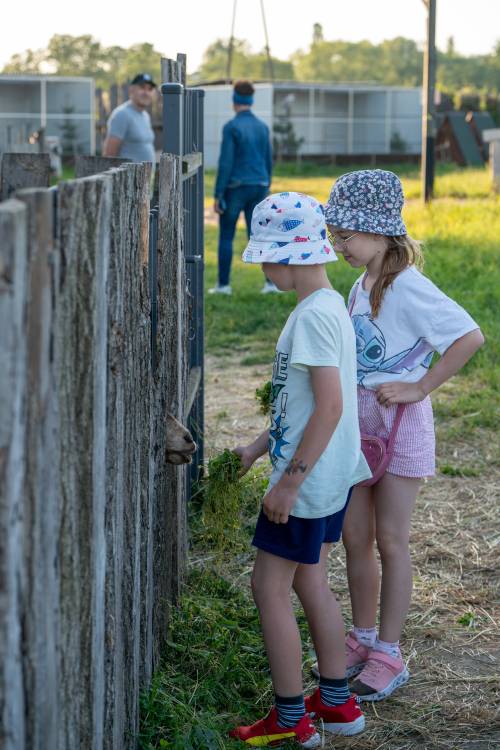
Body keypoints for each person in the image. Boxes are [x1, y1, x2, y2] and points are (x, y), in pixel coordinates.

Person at [322, 169, 484, 702]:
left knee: (390, 540)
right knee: (355, 538)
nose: (338, 244)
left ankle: (389, 652)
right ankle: (362, 636)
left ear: (382, 229)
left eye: (346, 234)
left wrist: (419, 385)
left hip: (400, 427)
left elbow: (468, 335)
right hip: (360, 427)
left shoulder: (410, 286)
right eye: (334, 234)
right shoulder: (360, 281)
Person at [229, 192, 371, 747]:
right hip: (330, 479)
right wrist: (257, 448)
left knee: (268, 588)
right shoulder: (328, 307)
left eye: (266, 258)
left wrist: (288, 483)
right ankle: (336, 704)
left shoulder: (313, 319)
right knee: (311, 580)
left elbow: (331, 407)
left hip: (306, 486)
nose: (264, 269)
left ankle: (291, 718)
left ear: (289, 255)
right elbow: (304, 405)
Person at [210, 80, 277, 296]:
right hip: (259, 186)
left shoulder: (231, 127)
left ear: (234, 100)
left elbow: (226, 163)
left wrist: (218, 193)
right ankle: (271, 284)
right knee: (260, 236)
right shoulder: (262, 127)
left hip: (235, 188)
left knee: (226, 236)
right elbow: (268, 160)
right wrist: (267, 185)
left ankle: (223, 286)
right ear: (251, 100)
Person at [103, 73, 156, 166]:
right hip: (128, 178)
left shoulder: (145, 116)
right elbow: (109, 156)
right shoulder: (122, 114)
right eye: (142, 87)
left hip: (145, 178)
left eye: (150, 89)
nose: (146, 92)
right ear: (131, 90)